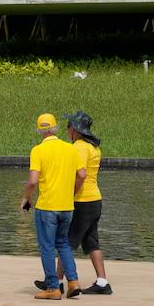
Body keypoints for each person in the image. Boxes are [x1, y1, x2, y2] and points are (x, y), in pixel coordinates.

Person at [22, 112, 79, 300]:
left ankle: (53, 288)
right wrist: (71, 192)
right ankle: (73, 282)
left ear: (39, 130)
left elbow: (32, 181)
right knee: (63, 244)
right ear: (56, 128)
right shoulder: (71, 149)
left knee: (46, 246)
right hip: (67, 206)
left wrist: (26, 198)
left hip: (47, 207)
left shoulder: (38, 150)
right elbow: (81, 175)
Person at [65, 111, 110, 294]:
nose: (67, 131)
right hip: (95, 200)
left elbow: (81, 174)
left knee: (67, 243)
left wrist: (70, 193)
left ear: (75, 129)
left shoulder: (79, 147)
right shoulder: (94, 147)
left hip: (82, 201)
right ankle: (102, 282)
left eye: (68, 127)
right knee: (92, 242)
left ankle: (55, 281)